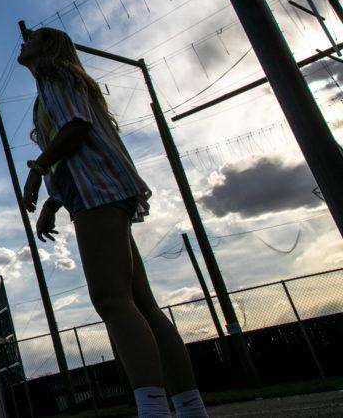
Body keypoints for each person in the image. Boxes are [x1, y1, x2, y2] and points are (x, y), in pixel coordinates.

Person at [18, 27, 207, 418]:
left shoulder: (55, 76)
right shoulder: (55, 85)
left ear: (49, 46)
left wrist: (39, 169)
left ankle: (152, 409)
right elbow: (78, 143)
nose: (24, 42)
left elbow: (76, 127)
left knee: (110, 298)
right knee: (140, 303)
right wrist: (54, 200)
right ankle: (190, 408)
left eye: (33, 38)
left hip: (98, 192)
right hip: (98, 189)